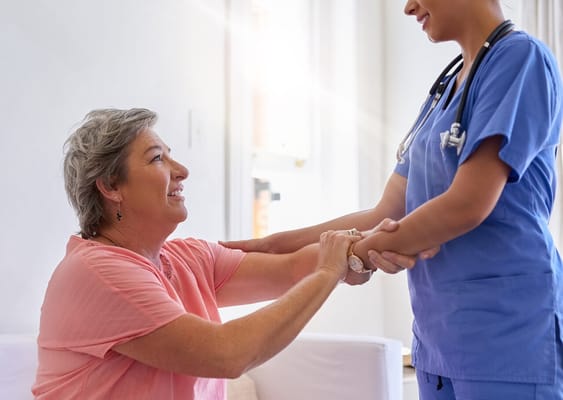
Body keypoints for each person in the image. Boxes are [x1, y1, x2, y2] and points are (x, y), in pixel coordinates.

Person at [222, 1, 563, 398]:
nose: (408, 7)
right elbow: (387, 212)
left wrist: (351, 256)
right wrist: (271, 245)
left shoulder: (520, 59)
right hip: (438, 340)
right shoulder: (445, 90)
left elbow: (467, 204)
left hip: (508, 334)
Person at [32, 107, 415, 399]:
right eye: (157, 159)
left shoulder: (187, 258)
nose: (181, 171)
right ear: (111, 187)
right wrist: (332, 269)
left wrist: (376, 245)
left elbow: (292, 268)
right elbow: (229, 354)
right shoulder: (98, 273)